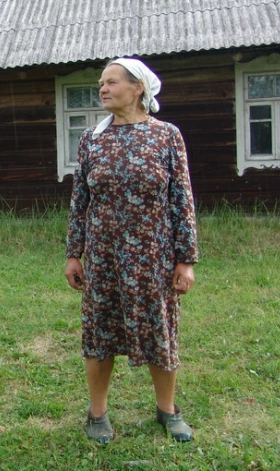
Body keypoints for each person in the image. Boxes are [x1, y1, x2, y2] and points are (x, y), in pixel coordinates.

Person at [64, 58, 199, 443]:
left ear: (137, 87)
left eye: (111, 82)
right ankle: (97, 413)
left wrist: (185, 260)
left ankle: (167, 410)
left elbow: (181, 200)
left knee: (160, 332)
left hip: (153, 256)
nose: (102, 89)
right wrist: (75, 253)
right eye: (100, 84)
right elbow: (80, 201)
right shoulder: (92, 139)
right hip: (103, 256)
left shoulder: (167, 136)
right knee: (100, 332)